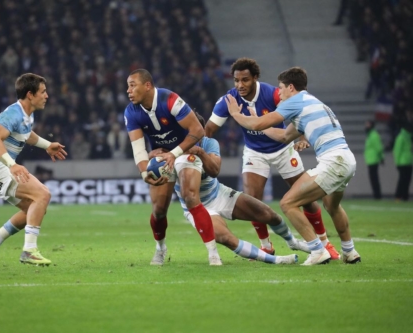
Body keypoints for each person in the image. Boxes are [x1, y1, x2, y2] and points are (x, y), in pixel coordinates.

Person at [205, 58, 340, 260]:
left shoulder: (273, 94)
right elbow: (208, 130)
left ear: (255, 78)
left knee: (307, 198)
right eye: (236, 80)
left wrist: (302, 137)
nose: (240, 85)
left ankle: (324, 243)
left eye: (245, 80)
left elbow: (299, 113)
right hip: (254, 152)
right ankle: (266, 246)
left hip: (283, 148)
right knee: (252, 199)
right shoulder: (229, 100)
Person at [225, 66, 361, 265]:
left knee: (287, 203)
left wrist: (236, 114)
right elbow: (284, 136)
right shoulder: (310, 103)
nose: (278, 93)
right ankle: (349, 251)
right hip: (347, 160)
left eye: (281, 88)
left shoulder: (295, 101)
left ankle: (317, 250)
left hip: (333, 161)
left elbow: (257, 124)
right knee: (332, 205)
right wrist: (261, 126)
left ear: (291, 87)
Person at [150, 111, 310, 265]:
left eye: (197, 132)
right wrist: (151, 158)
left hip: (220, 194)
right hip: (199, 207)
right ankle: (276, 260)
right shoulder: (171, 151)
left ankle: (293, 242)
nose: (193, 136)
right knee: (227, 238)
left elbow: (214, 170)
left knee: (269, 214)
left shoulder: (209, 143)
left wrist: (200, 152)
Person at [124, 69, 221, 266]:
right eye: (128, 86)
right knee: (159, 210)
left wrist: (174, 153)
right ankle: (160, 248)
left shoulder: (170, 100)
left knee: (190, 196)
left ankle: (213, 253)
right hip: (161, 158)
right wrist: (144, 173)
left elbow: (198, 130)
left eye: (132, 85)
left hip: (186, 151)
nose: (128, 90)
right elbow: (138, 149)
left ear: (148, 85)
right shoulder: (131, 112)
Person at [0, 73, 67, 268]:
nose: (47, 96)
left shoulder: (26, 115)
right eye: (43, 92)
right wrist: (12, 164)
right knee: (43, 195)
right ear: (30, 94)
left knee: (33, 210)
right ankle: (29, 251)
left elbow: (26, 134)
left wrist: (47, 145)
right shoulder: (13, 114)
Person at [364, 120, 383, 199]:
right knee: (373, 179)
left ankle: (377, 195)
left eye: (367, 124)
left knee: (374, 178)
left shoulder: (374, 135)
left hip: (373, 160)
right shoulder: (370, 135)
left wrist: (381, 158)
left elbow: (378, 147)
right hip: (371, 160)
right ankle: (377, 195)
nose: (366, 126)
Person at [393, 125, 412, 201]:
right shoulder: (401, 137)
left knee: (406, 180)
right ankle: (399, 196)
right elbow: (397, 151)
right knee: (403, 180)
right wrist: (397, 162)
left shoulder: (408, 137)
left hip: (408, 162)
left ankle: (404, 196)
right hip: (402, 162)